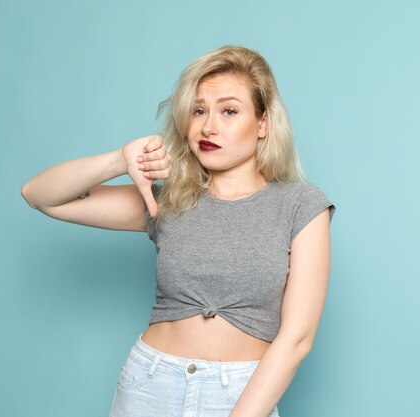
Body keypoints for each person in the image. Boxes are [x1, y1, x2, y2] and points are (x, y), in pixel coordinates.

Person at [21, 45, 336, 417]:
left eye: (229, 111)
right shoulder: (168, 201)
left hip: (242, 394)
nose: (208, 126)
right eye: (198, 110)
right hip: (150, 386)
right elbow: (41, 195)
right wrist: (120, 160)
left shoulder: (301, 205)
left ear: (263, 122)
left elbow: (297, 339)